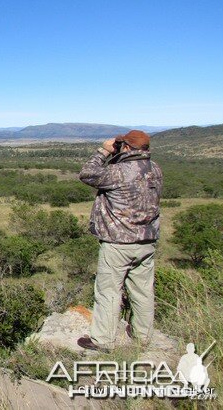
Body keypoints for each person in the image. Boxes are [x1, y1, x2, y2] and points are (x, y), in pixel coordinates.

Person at [76, 130, 163, 352]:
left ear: (126, 147)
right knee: (143, 292)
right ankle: (143, 338)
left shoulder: (117, 172)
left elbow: (87, 174)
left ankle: (103, 340)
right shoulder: (155, 170)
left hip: (118, 243)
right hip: (146, 242)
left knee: (108, 291)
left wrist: (104, 150)